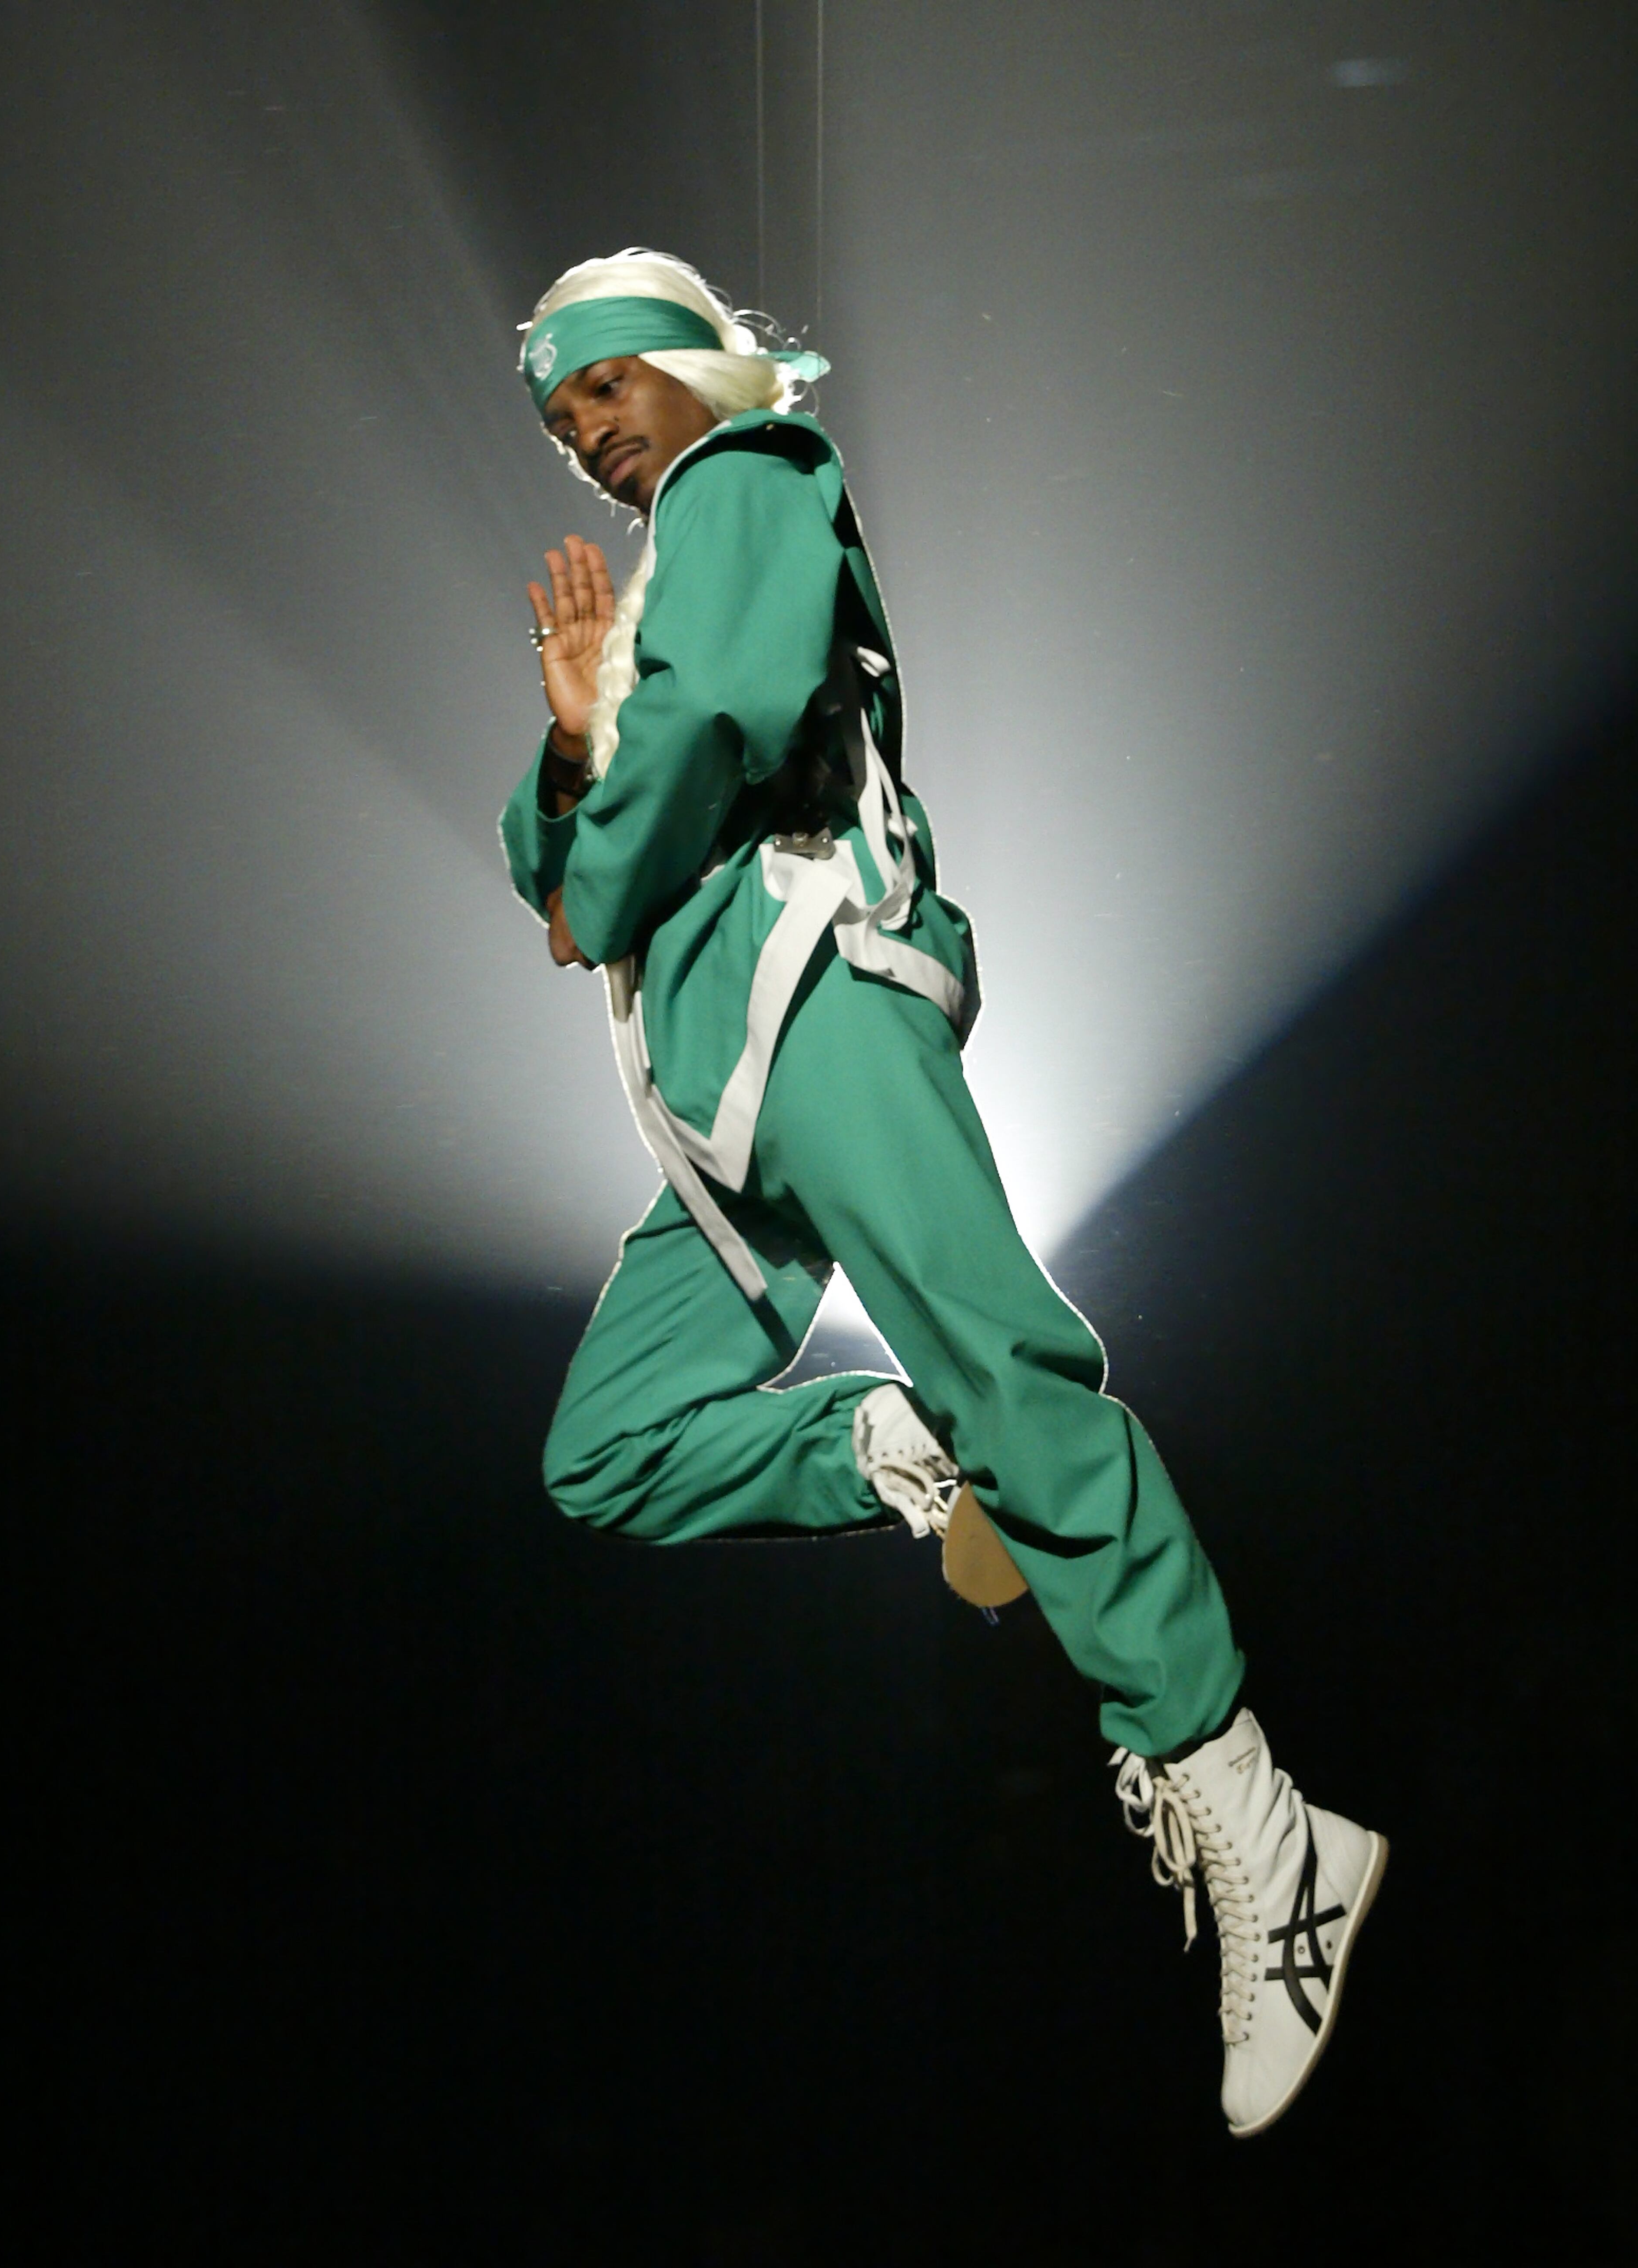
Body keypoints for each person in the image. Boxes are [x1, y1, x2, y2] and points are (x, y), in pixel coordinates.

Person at [500, 249, 1386, 2139]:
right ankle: (895, 1448)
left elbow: (719, 729)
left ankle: (1253, 1805)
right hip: (722, 1103)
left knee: (1011, 1370)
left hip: (818, 996)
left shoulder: (753, 477)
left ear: (691, 365)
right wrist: (577, 750)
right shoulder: (657, 589)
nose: (589, 437)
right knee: (606, 1449)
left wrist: (598, 845)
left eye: (606, 390)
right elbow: (549, 856)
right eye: (564, 422)